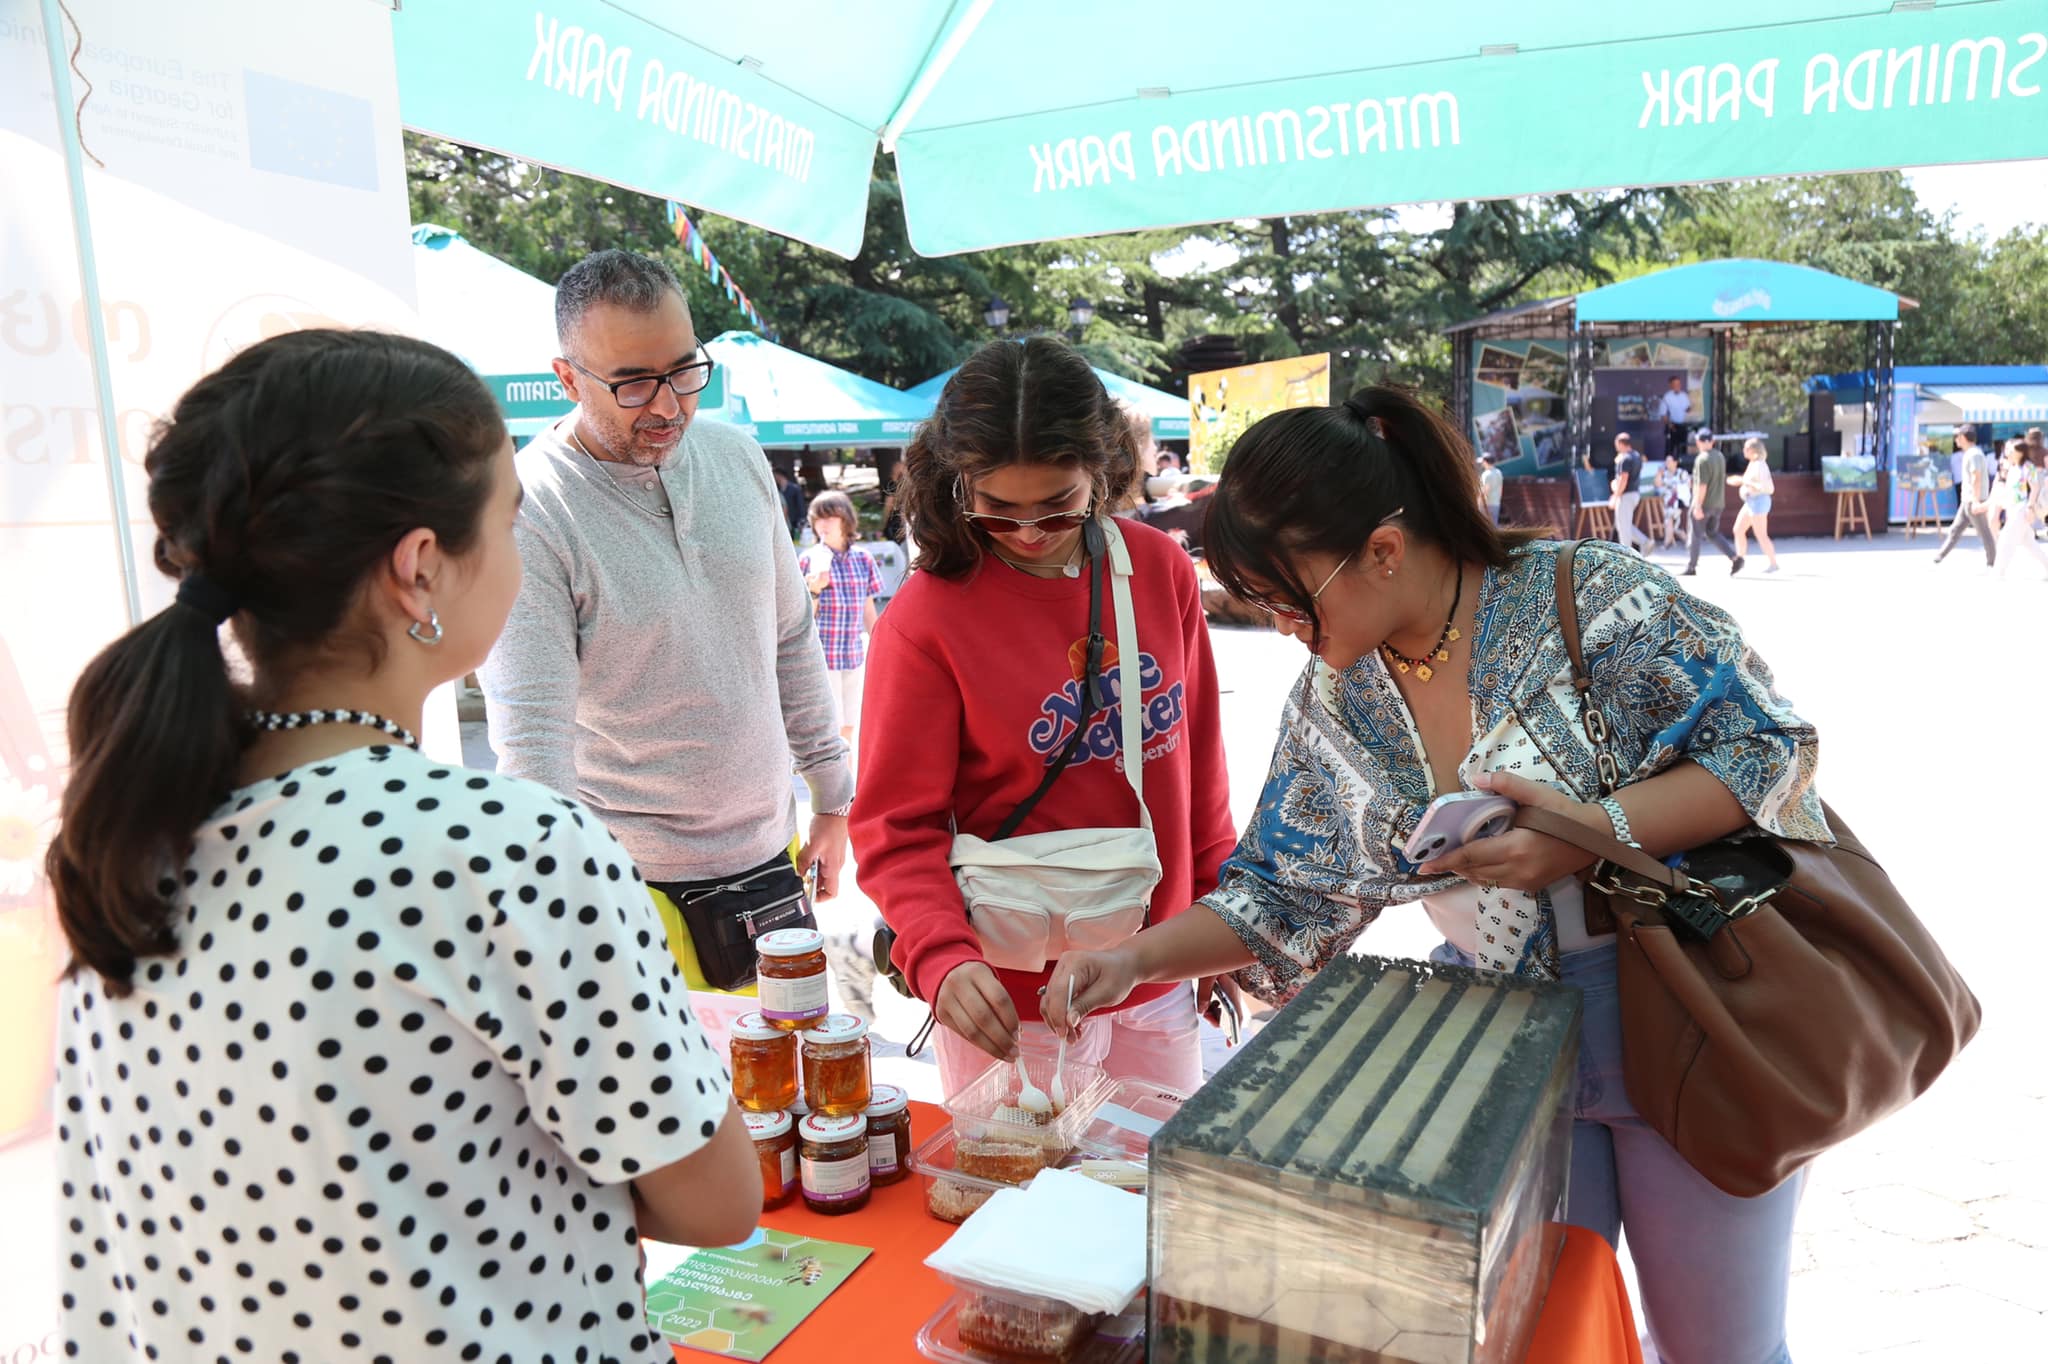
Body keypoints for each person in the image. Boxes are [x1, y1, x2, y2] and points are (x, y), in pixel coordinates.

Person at [1044, 386, 1828, 1364]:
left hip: (1689, 1010)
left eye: (1289, 599)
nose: (1280, 626)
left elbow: (1768, 745)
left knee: (1720, 1348)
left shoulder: (1588, 596)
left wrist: (1591, 833)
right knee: (1531, 1338)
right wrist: (1133, 959)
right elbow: (1279, 891)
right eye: (1258, 605)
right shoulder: (1339, 692)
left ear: (1382, 549)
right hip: (1498, 1043)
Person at [48, 329, 759, 1363]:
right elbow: (717, 1199)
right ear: (420, 568)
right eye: (508, 521)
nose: (521, 552)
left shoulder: (125, 839)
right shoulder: (511, 850)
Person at [850, 337, 1236, 1094]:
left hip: (1156, 966)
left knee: (1157, 1169)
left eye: (1058, 505)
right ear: (956, 482)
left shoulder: (1157, 569)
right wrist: (938, 955)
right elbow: (894, 827)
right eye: (997, 510)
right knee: (1017, 1174)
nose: (1028, 532)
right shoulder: (926, 619)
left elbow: (1198, 764)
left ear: (1103, 471)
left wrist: (1217, 924)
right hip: (1006, 997)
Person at [479, 249, 853, 993]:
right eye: (633, 383)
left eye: (685, 371)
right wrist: (561, 907)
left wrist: (832, 798)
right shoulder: (531, 510)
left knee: (781, 1064)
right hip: (626, 892)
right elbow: (532, 742)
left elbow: (789, 637)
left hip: (772, 859)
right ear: (567, 379)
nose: (668, 406)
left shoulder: (737, 458)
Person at [800, 490, 884, 757]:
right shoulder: (809, 560)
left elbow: (868, 609)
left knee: (849, 725)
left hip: (853, 654)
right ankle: (840, 780)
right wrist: (814, 589)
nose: (823, 525)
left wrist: (881, 646)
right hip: (822, 656)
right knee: (832, 727)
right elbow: (802, 618)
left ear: (845, 520)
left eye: (829, 518)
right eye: (818, 519)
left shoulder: (863, 558)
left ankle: (847, 779)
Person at [1933, 423, 1996, 568]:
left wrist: (1975, 501)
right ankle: (1940, 556)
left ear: (1963, 437)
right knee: (1955, 529)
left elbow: (1976, 477)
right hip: (1967, 500)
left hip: (1973, 500)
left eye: (1957, 437)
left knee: (1984, 533)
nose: (1956, 440)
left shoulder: (1974, 454)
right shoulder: (1970, 453)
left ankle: (1993, 562)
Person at [1684, 429, 1742, 577]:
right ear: (1712, 441)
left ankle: (1691, 567)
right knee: (1712, 533)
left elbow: (1702, 485)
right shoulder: (1719, 456)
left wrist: (1697, 505)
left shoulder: (1702, 459)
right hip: (1718, 503)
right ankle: (1734, 557)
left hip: (1704, 503)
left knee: (1695, 535)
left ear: (1698, 442)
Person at [1990, 438, 2048, 580]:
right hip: (2012, 509)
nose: (2009, 452)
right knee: (2031, 545)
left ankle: (1998, 572)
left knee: (2005, 540)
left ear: (2020, 452)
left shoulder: (2028, 467)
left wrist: (2030, 507)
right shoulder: (2012, 468)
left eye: (2012, 450)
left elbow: (2035, 487)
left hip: (2021, 509)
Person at [1730, 437, 1782, 574]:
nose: (1743, 450)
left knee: (1761, 534)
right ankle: (1740, 559)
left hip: (1758, 501)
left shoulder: (1759, 465)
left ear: (1753, 450)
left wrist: (1743, 481)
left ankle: (1773, 563)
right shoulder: (1753, 463)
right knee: (1738, 529)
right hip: (1751, 501)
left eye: (1746, 448)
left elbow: (1762, 486)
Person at [1609, 433, 1651, 554]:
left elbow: (1623, 479)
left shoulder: (1625, 459)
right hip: (1634, 493)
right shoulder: (1636, 456)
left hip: (1625, 495)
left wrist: (1615, 496)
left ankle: (1627, 554)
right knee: (1622, 524)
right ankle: (1644, 541)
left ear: (1621, 444)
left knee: (1623, 528)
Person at [1653, 450, 1690, 548]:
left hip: (1678, 501)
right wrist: (1659, 474)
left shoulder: (1681, 473)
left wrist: (1678, 488)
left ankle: (1669, 543)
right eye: (1666, 461)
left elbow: (1688, 485)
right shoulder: (1665, 473)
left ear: (1675, 462)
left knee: (1671, 522)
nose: (1667, 463)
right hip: (1668, 501)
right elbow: (1657, 484)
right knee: (1672, 523)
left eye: (1669, 461)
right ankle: (1682, 541)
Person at [1657, 374, 1692, 451]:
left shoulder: (1684, 396)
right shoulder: (1667, 397)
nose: (1677, 386)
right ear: (1670, 385)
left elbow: (1688, 409)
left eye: (1678, 384)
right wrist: (1670, 425)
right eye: (1675, 384)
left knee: (1683, 449)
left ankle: (1682, 459)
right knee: (1670, 449)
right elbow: (1663, 414)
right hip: (1672, 427)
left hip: (1683, 426)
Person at [774, 466, 808, 540]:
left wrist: (802, 520)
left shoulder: (795, 488)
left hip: (794, 520)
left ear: (779, 475)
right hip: (785, 521)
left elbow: (801, 506)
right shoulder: (777, 490)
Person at [1477, 452, 1504, 525]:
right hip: (1496, 503)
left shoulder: (1486, 474)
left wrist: (1479, 503)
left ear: (1485, 462)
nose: (1482, 463)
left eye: (1482, 462)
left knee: (1484, 525)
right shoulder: (1498, 472)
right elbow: (1501, 488)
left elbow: (1485, 491)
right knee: (1494, 525)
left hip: (1487, 504)